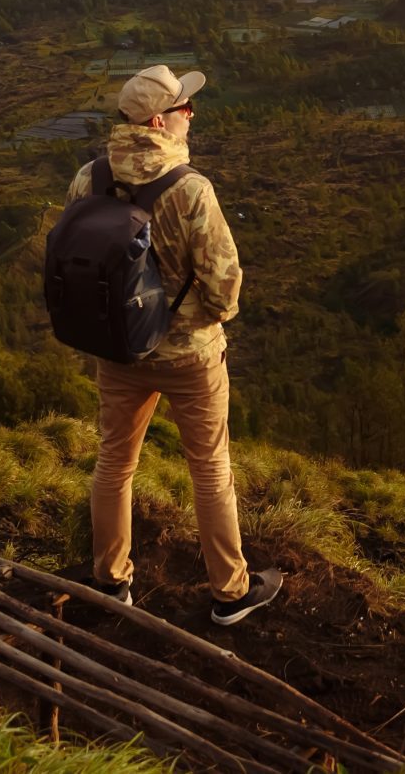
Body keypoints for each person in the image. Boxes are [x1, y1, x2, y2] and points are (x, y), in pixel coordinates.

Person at [66, 62, 282, 625]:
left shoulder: (89, 179)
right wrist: (196, 321)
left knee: (114, 464)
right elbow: (224, 284)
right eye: (185, 108)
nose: (192, 115)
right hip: (190, 356)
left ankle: (110, 583)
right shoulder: (190, 189)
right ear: (160, 120)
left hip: (118, 350)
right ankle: (230, 593)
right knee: (210, 467)